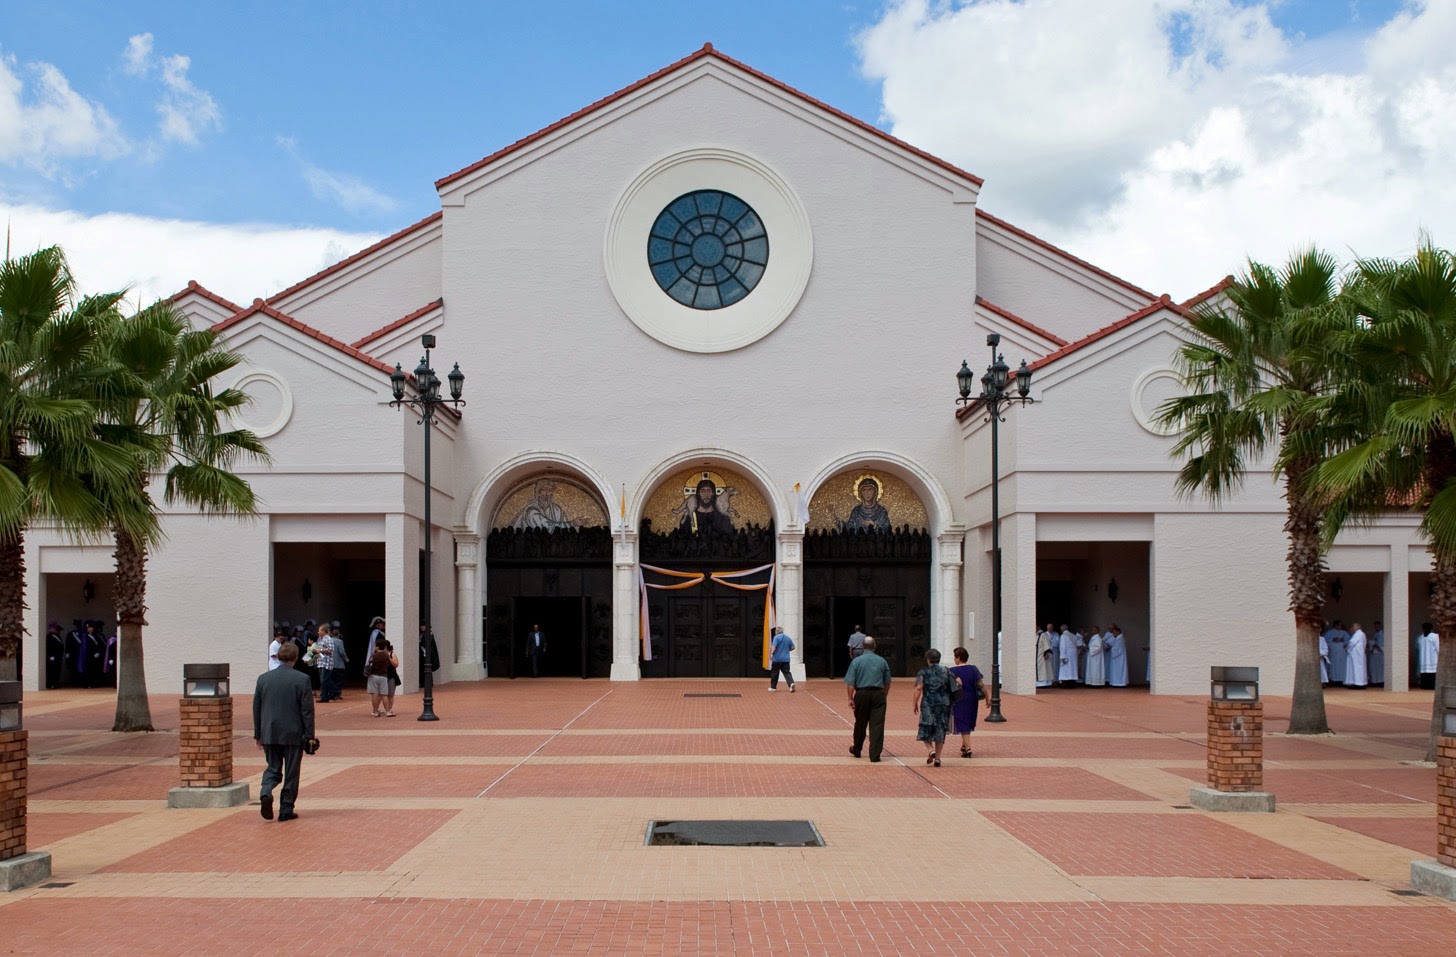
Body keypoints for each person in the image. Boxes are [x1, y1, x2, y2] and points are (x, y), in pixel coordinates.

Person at [253, 641, 315, 822]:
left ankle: (266, 791)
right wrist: (310, 735)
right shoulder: (302, 679)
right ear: (295, 658)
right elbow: (307, 711)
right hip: (293, 733)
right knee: (291, 772)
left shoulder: (263, 679)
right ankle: (286, 808)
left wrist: (258, 733)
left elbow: (256, 707)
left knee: (273, 767)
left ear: (279, 657)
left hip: (269, 732)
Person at [843, 636, 892, 762]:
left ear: (863, 647)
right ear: (875, 646)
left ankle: (857, 748)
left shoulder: (856, 662)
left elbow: (851, 683)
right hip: (878, 694)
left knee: (860, 723)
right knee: (877, 725)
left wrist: (850, 698)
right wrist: (884, 695)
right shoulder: (882, 661)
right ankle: (875, 754)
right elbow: (887, 682)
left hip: (861, 694)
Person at [912, 649, 960, 767]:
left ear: (928, 660)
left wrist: (915, 702)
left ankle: (930, 750)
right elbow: (957, 683)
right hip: (944, 703)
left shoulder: (924, 672)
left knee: (925, 726)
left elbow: (919, 687)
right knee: (940, 729)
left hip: (929, 703)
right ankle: (937, 758)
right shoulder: (946, 671)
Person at [948, 647, 985, 757]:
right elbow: (981, 684)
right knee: (968, 721)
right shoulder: (973, 669)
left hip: (959, 699)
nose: (954, 659)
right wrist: (987, 698)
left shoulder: (952, 671)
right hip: (972, 699)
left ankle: (968, 748)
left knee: (962, 722)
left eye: (955, 657)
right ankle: (964, 744)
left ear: (958, 658)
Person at [510, 479, 577, 531]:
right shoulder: (531, 510)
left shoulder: (557, 509)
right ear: (538, 492)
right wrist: (572, 523)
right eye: (544, 490)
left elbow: (565, 530)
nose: (547, 493)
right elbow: (543, 525)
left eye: (550, 490)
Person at [365, 639, 399, 717]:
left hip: (374, 676)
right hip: (384, 676)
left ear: (377, 646)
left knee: (375, 694)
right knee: (384, 695)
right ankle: (388, 711)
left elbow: (369, 664)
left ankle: (375, 711)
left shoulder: (373, 655)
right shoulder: (387, 655)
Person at [313, 623, 338, 701]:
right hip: (321, 662)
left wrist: (320, 650)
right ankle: (332, 693)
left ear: (324, 631)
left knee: (324, 680)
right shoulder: (320, 639)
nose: (318, 632)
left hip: (326, 663)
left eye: (319, 630)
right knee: (324, 680)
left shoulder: (328, 639)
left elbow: (330, 650)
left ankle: (325, 696)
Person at [768, 626, 796, 691]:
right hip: (786, 659)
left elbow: (774, 646)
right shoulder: (788, 638)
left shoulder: (776, 637)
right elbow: (793, 647)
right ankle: (791, 683)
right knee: (787, 672)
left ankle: (773, 687)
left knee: (775, 673)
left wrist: (771, 653)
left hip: (777, 659)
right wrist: (787, 650)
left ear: (777, 631)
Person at [1323, 620, 1350, 685]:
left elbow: (1349, 641)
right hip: (1333, 653)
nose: (1340, 626)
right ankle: (1333, 680)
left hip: (1342, 654)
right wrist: (1333, 639)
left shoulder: (1344, 632)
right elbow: (1324, 640)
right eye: (1339, 625)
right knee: (1333, 666)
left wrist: (1343, 640)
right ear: (1335, 625)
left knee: (1342, 666)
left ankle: (1341, 680)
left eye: (1341, 625)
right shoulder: (1330, 632)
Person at [1344, 623, 1368, 688]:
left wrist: (1347, 647)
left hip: (1357, 654)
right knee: (1356, 668)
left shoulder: (1359, 634)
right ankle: (1356, 682)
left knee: (1357, 668)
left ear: (1357, 627)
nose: (1353, 628)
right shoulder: (1360, 634)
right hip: (1357, 654)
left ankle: (1358, 683)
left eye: (1354, 626)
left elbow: (1352, 642)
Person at [328, 624, 349, 700]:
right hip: (339, 664)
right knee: (339, 680)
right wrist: (346, 659)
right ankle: (337, 692)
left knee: (332, 679)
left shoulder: (328, 641)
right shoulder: (340, 641)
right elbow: (342, 652)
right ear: (338, 635)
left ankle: (332, 693)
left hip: (330, 664)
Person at [1418, 623, 1439, 690]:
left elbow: (1417, 647)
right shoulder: (1435, 636)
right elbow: (1438, 648)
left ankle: (1424, 686)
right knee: (1432, 674)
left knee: (1424, 674)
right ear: (1431, 628)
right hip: (1432, 659)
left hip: (1423, 660)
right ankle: (1431, 686)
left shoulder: (1420, 637)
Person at [1035, 623, 1055, 688]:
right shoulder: (1035, 635)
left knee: (1043, 669)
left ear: (1038, 627)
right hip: (1036, 655)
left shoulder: (1043, 634)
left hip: (1042, 655)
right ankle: (1038, 683)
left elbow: (1047, 644)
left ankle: (1043, 683)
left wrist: (1046, 653)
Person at [45, 620, 64, 689]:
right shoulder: (49, 637)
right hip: (52, 657)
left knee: (57, 670)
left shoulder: (58, 637)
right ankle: (51, 684)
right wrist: (50, 655)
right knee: (51, 671)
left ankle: (55, 683)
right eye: (56, 629)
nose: (58, 631)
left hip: (58, 657)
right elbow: (49, 647)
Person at [1369, 620, 1385, 686]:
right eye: (1375, 627)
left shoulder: (1384, 634)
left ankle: (1381, 682)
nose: (1376, 628)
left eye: (1378, 627)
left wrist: (1379, 646)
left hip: (1381, 654)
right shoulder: (1375, 635)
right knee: (1374, 668)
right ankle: (1375, 682)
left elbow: (1385, 644)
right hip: (1375, 654)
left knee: (1380, 669)